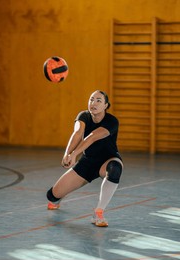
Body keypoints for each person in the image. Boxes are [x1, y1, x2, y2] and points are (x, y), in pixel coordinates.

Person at [46, 90, 123, 227]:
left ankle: (98, 212)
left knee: (115, 169)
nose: (93, 103)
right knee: (52, 196)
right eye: (91, 99)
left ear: (106, 105)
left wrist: (75, 154)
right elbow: (78, 132)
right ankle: (57, 199)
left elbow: (92, 137)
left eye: (99, 100)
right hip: (87, 163)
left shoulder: (112, 121)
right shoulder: (83, 116)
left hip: (107, 160)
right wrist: (67, 154)